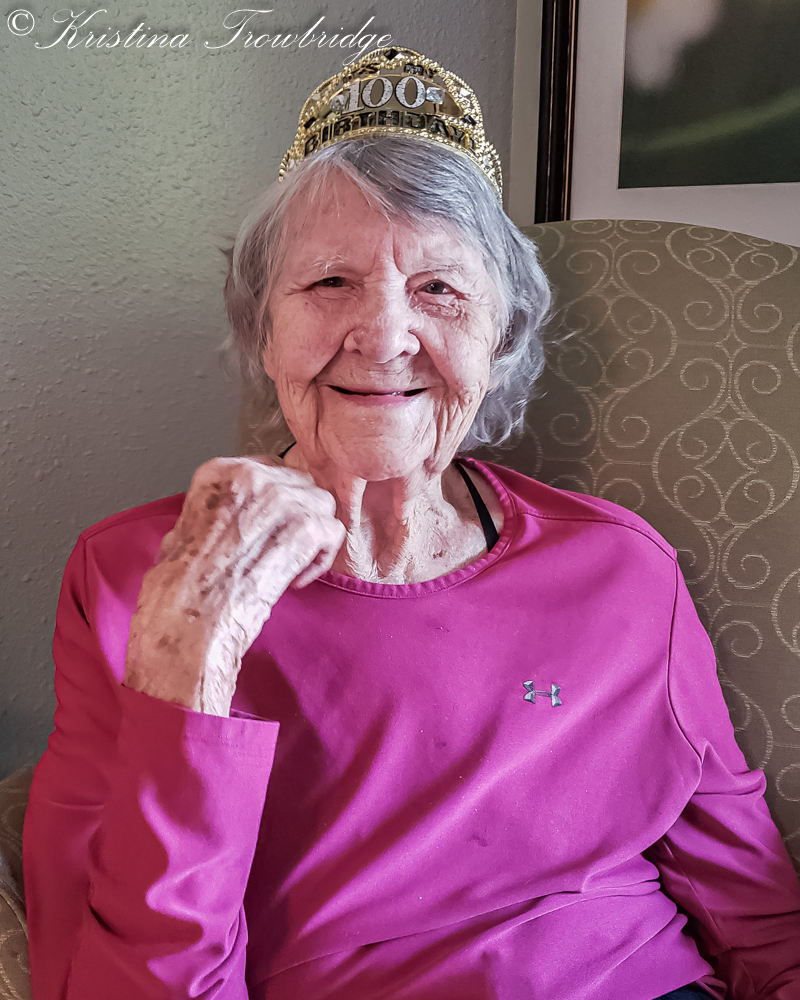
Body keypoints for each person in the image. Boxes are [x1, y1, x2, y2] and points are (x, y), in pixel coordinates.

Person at [22, 46, 800, 1000]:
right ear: (262, 329)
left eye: (439, 288)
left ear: (503, 336)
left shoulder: (622, 567)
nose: (385, 336)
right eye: (329, 283)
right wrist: (188, 679)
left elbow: (756, 912)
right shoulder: (136, 578)